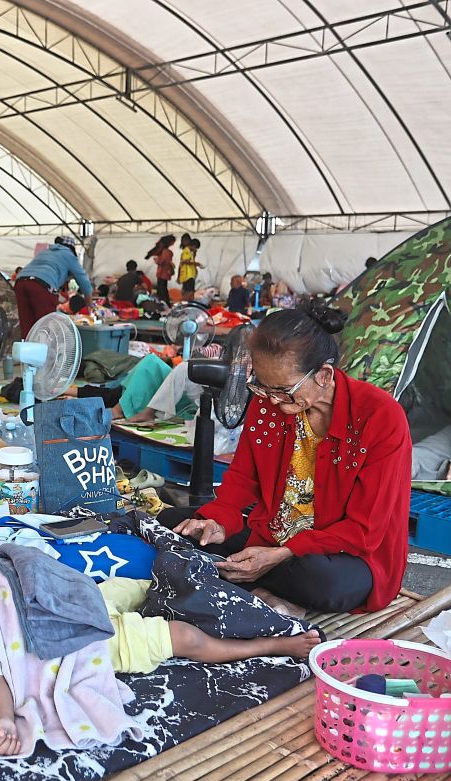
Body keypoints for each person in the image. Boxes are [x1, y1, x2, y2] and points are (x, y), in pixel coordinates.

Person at [0, 539, 319, 755]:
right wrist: (3, 719)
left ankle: (233, 596)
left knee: (142, 582)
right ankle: (277, 641)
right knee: (182, 638)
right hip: (81, 644)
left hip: (75, 604)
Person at [159, 303, 412, 616]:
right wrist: (219, 519)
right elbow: (243, 478)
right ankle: (263, 586)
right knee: (175, 526)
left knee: (322, 582)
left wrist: (278, 554)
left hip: (345, 553)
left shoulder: (379, 416)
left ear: (323, 375)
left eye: (283, 390)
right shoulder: (269, 402)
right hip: (274, 530)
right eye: (262, 387)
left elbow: (365, 529)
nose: (272, 400)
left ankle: (255, 580)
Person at [13, 236, 91, 335]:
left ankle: (26, 348)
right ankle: (45, 349)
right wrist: (89, 306)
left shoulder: (45, 252)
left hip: (20, 283)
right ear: (71, 248)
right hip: (40, 286)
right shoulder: (69, 255)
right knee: (46, 327)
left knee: (27, 328)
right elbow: (84, 281)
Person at [145, 235, 175, 303]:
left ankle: (164, 302)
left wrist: (157, 260)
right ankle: (164, 302)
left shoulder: (165, 251)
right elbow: (164, 261)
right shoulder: (166, 252)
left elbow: (162, 262)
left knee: (162, 289)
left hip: (162, 273)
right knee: (162, 288)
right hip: (164, 273)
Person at [177, 235, 200, 303]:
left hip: (188, 275)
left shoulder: (190, 252)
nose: (196, 249)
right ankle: (183, 304)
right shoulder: (186, 251)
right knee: (189, 292)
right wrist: (196, 264)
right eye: (195, 247)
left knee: (189, 292)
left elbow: (181, 264)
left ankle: (188, 304)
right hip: (188, 275)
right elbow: (185, 261)